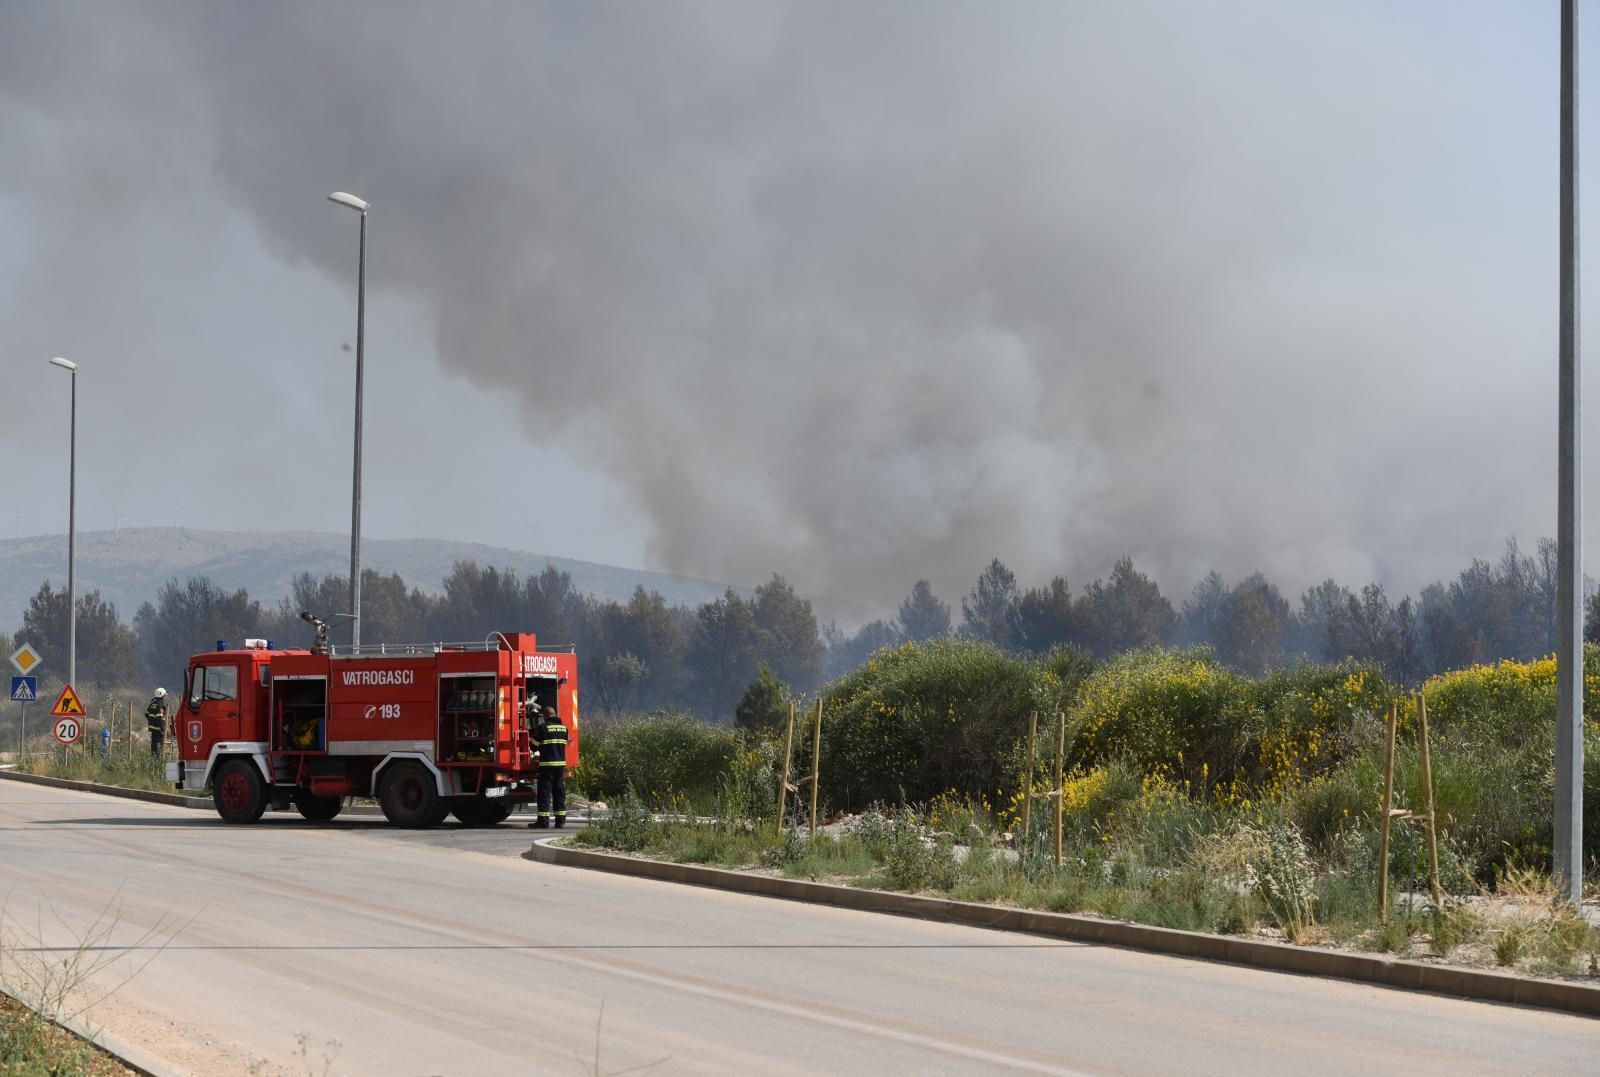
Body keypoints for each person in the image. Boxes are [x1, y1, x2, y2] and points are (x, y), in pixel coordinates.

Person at [528, 705, 568, 829]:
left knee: (544, 793)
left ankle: (543, 821)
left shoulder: (542, 728)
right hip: (560, 766)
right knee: (559, 792)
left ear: (545, 716)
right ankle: (560, 821)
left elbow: (533, 746)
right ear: (554, 714)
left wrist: (532, 735)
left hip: (547, 766)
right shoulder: (564, 729)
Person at [145, 688, 169, 758]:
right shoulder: (160, 705)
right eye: (164, 695)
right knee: (159, 746)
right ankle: (158, 761)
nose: (164, 697)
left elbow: (146, 714)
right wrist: (162, 729)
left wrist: (152, 721)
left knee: (153, 745)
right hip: (159, 730)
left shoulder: (152, 704)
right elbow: (160, 718)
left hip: (153, 729)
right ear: (161, 696)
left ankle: (153, 759)